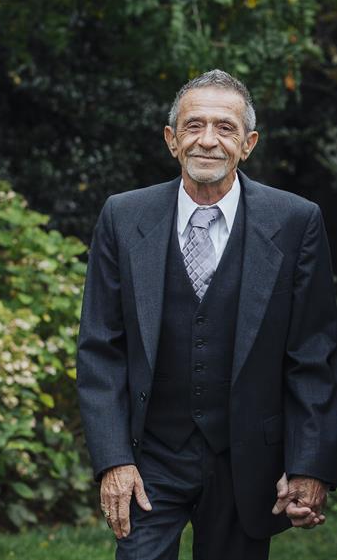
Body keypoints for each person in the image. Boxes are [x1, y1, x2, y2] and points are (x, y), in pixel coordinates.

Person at [76, 69, 337, 560]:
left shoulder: (297, 221)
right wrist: (114, 461)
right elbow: (100, 349)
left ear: (249, 142)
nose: (208, 141)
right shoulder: (123, 216)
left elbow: (312, 355)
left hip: (247, 460)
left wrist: (309, 464)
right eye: (194, 126)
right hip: (152, 456)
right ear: (172, 139)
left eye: (225, 127)